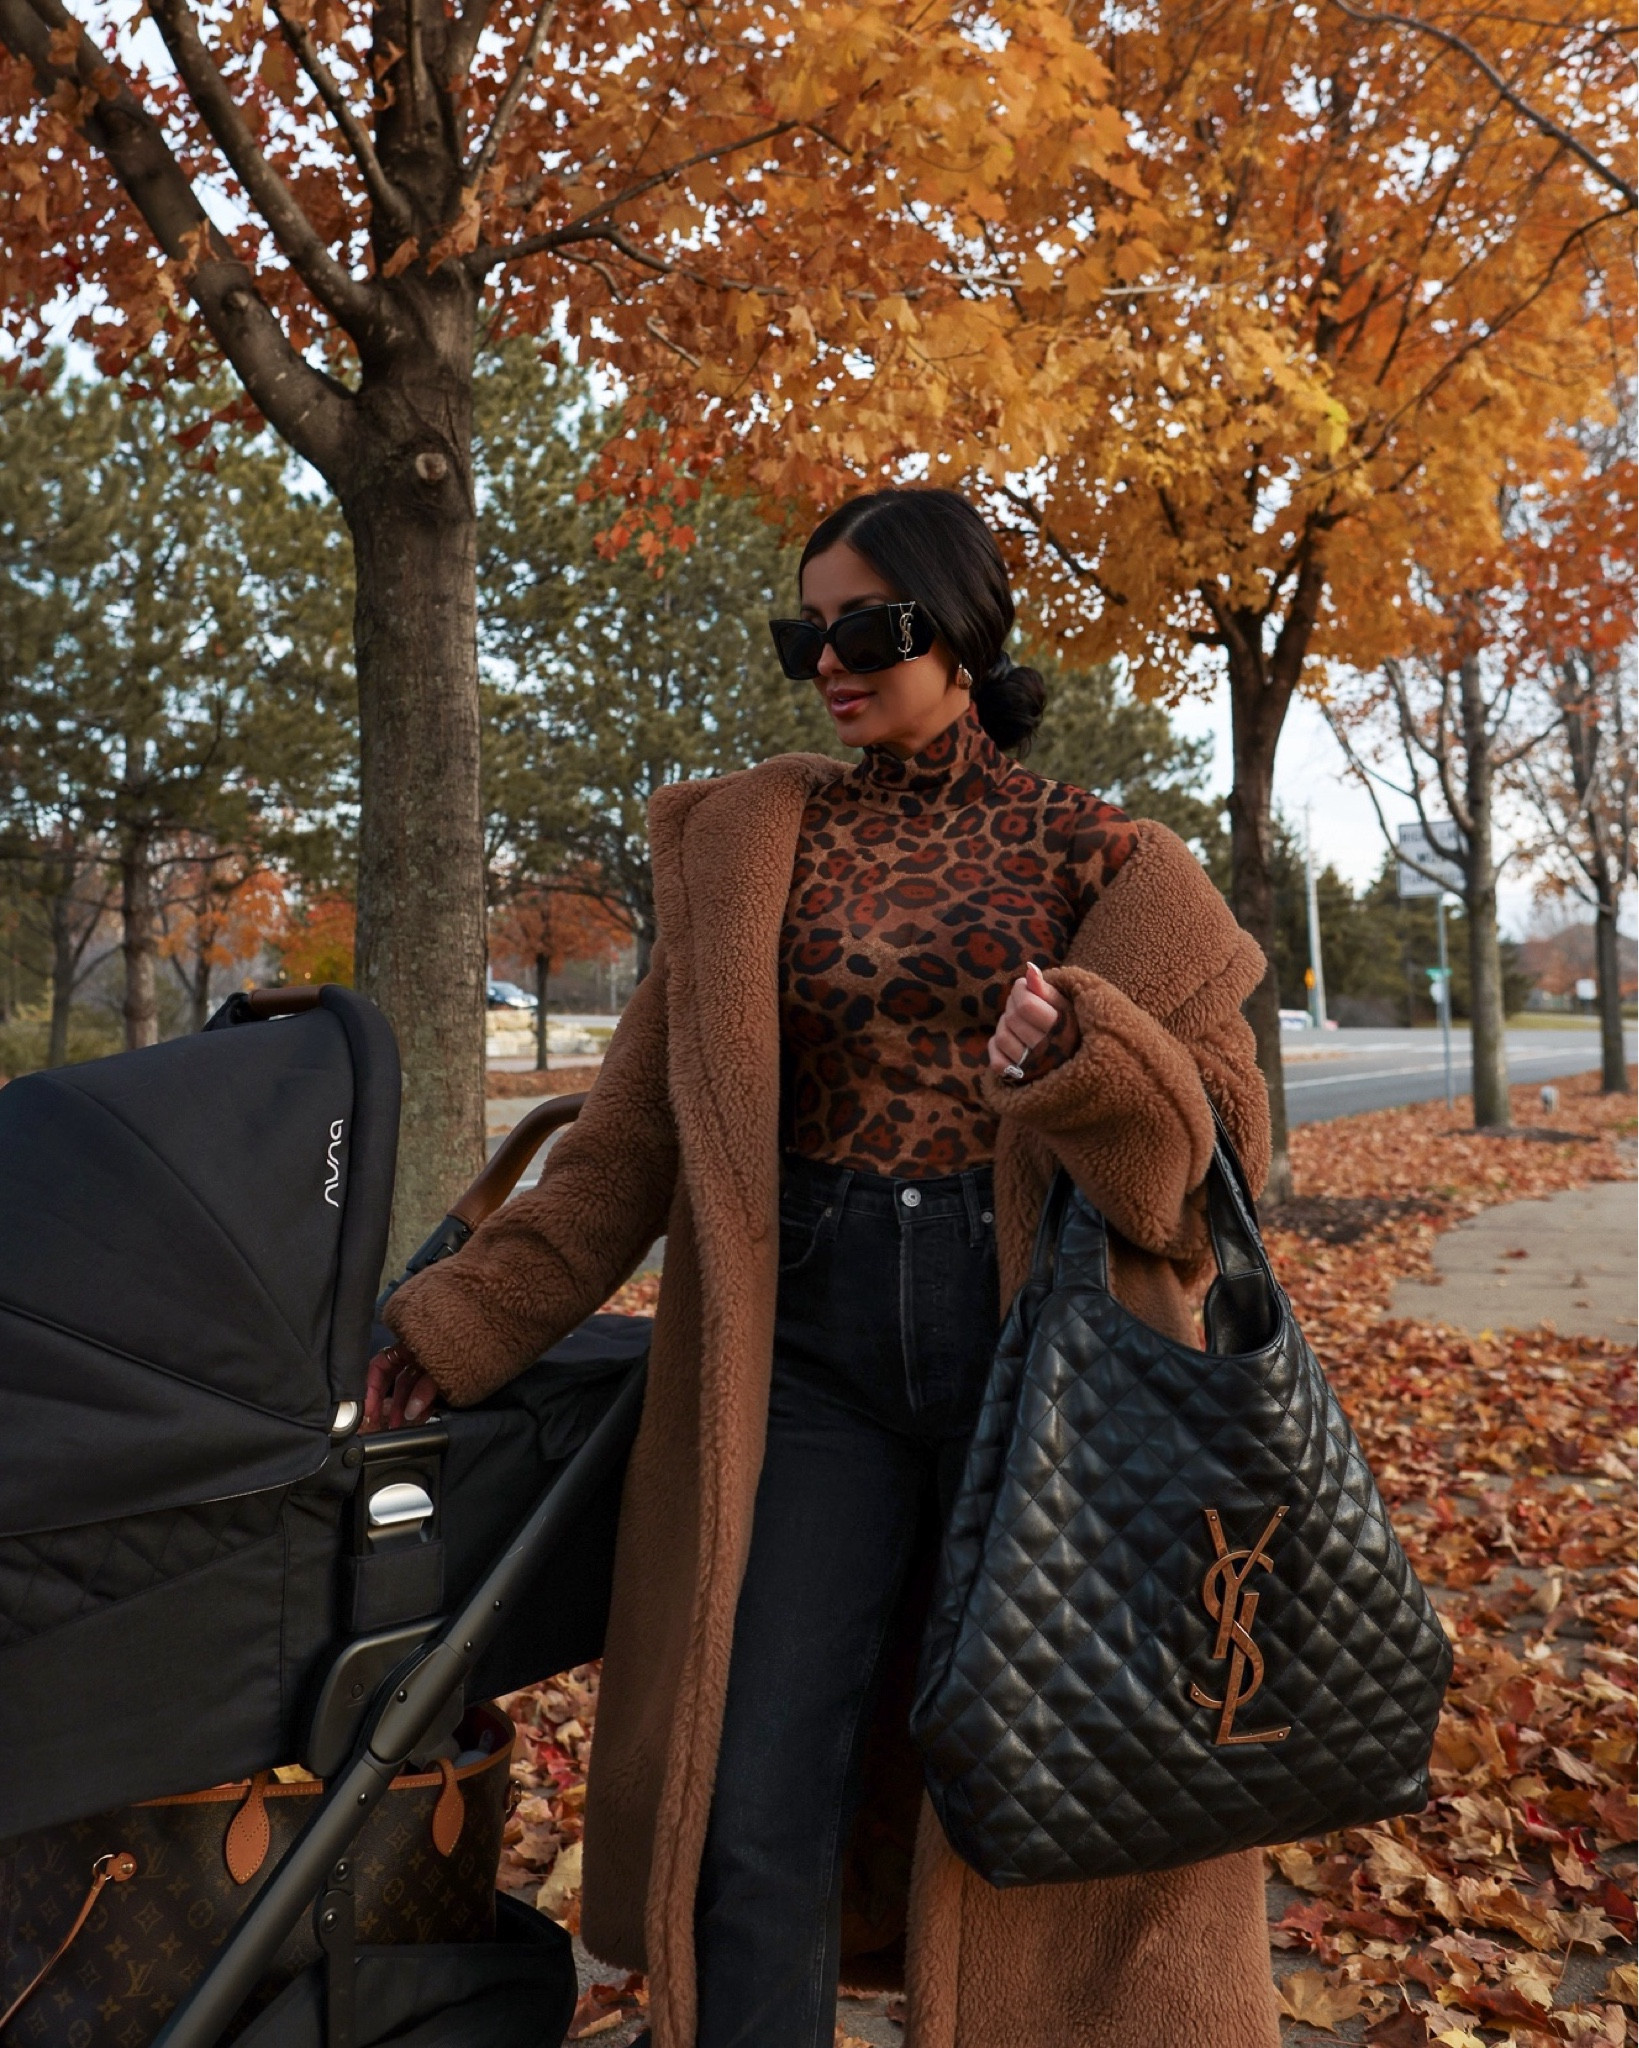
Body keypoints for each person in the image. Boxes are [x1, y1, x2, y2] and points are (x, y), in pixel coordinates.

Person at [367, 489, 1281, 2048]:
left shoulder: (1108, 859)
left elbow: (1212, 1173)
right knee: (748, 1788)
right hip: (806, 1349)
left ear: (966, 631)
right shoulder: (753, 844)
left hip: (1039, 1370)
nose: (833, 663)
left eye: (869, 628)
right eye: (810, 633)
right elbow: (630, 1148)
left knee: (1035, 1803)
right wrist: (456, 1323)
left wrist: (1086, 1060)